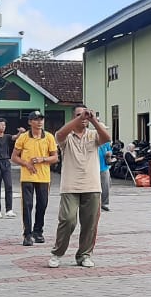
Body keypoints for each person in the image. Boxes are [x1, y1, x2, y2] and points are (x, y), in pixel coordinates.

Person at [48, 104, 111, 269]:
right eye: (78, 115)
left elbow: (107, 138)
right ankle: (57, 253)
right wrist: (79, 118)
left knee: (90, 223)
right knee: (67, 220)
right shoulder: (67, 137)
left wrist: (93, 120)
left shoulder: (93, 135)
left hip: (92, 185)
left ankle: (84, 255)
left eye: (85, 115)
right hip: (70, 186)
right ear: (73, 117)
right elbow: (59, 134)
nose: (83, 118)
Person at [12, 111, 57, 247]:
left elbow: (55, 157)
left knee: (42, 204)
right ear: (30, 122)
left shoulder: (49, 137)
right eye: (36, 120)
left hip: (43, 177)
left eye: (41, 119)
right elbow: (14, 157)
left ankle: (38, 231)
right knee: (27, 205)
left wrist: (43, 159)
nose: (39, 122)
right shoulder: (23, 137)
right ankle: (27, 234)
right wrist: (26, 164)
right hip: (27, 176)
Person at [99, 137, 112, 212]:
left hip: (104, 167)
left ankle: (104, 203)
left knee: (105, 186)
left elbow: (110, 150)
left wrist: (109, 153)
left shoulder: (106, 142)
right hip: (93, 167)